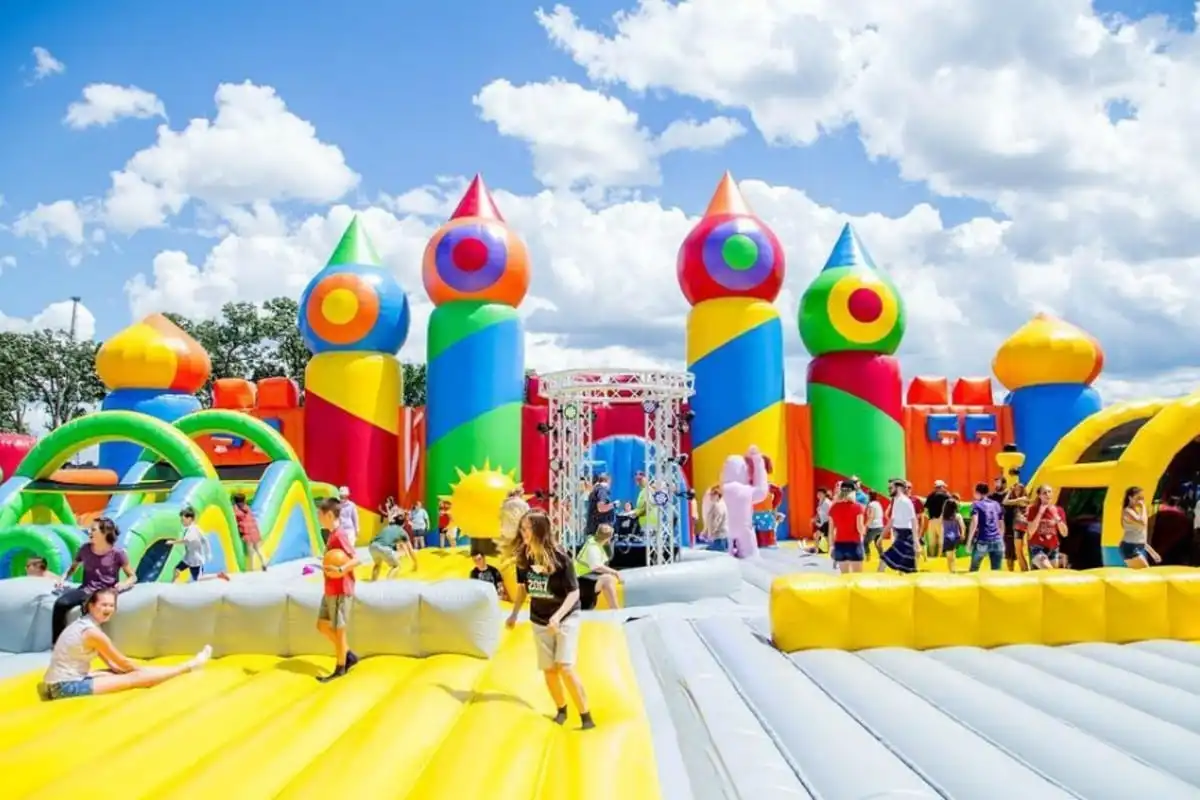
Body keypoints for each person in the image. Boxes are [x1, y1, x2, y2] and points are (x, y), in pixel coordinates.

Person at [504, 510, 594, 730]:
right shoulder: (523, 557)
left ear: (540, 530)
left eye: (528, 528)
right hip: (539, 618)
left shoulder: (560, 557)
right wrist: (514, 613)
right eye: (522, 528)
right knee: (549, 669)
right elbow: (523, 588)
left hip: (565, 616)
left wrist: (558, 616)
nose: (524, 532)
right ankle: (561, 709)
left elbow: (574, 593)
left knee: (565, 666)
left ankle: (586, 717)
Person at [39, 587, 211, 701]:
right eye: (103, 605)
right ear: (91, 606)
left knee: (115, 673)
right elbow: (123, 662)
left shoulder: (82, 624)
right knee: (135, 678)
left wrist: (117, 671)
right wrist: (142, 674)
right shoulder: (92, 633)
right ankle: (187, 666)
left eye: (111, 605)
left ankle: (182, 667)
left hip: (57, 683)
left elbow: (110, 661)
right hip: (65, 687)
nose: (108, 609)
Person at [52, 518, 136, 644]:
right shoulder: (85, 549)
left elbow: (133, 576)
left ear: (105, 532)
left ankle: (95, 643)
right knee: (61, 604)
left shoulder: (117, 553)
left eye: (93, 529)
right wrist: (63, 578)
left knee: (92, 609)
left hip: (106, 592)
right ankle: (57, 642)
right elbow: (73, 566)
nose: (89, 532)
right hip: (87, 589)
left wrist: (124, 584)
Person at [317, 520, 360, 682]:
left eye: (320, 513)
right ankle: (348, 654)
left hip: (340, 589)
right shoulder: (332, 535)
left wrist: (341, 570)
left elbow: (356, 559)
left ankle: (340, 667)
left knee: (339, 629)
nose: (318, 516)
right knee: (322, 625)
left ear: (328, 515)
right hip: (329, 589)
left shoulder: (340, 535)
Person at [167, 507, 228, 582]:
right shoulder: (194, 528)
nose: (182, 522)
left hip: (196, 560)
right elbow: (205, 540)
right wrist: (208, 552)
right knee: (177, 569)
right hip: (188, 558)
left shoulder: (192, 529)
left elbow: (187, 540)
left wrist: (172, 542)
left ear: (189, 519)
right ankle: (172, 585)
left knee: (198, 579)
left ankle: (218, 575)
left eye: (183, 520)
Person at [575, 522, 622, 609]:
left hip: (585, 578)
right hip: (579, 581)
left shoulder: (593, 542)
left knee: (607, 577)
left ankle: (615, 609)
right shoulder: (593, 548)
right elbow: (596, 566)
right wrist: (615, 572)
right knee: (608, 579)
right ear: (608, 538)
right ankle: (616, 610)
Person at [880, 480, 919, 574]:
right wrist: (881, 536)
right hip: (900, 534)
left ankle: (877, 583)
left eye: (890, 488)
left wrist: (916, 541)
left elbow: (914, 520)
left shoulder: (905, 501)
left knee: (885, 559)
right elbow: (892, 520)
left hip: (906, 535)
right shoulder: (896, 500)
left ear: (898, 488)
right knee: (904, 567)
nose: (889, 490)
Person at [1026, 484, 1068, 570]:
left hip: (1053, 548)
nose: (1047, 494)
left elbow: (1064, 533)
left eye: (1049, 492)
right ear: (1039, 495)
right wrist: (1040, 512)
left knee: (1053, 576)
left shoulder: (1059, 510)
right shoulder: (1032, 509)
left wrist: (1056, 516)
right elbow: (1030, 531)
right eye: (1044, 493)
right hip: (1037, 548)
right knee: (1048, 570)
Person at [828, 481, 866, 574]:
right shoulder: (858, 507)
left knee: (845, 577)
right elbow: (860, 528)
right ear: (853, 492)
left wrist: (831, 546)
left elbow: (830, 531)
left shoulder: (833, 508)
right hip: (854, 544)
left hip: (840, 545)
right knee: (857, 577)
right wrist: (865, 531)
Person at [967, 483, 1005, 572]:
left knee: (974, 570)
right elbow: (1001, 525)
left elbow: (974, 522)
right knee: (996, 571)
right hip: (997, 541)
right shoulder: (996, 504)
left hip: (983, 540)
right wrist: (1001, 540)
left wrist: (969, 542)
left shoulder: (976, 504)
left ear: (977, 492)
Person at [368, 511, 417, 579]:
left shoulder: (387, 527)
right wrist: (415, 564)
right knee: (396, 566)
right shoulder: (402, 532)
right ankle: (387, 585)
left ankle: (372, 582)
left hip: (372, 546)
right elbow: (411, 550)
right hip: (383, 547)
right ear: (403, 523)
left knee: (377, 564)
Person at [1120, 487, 1160, 569]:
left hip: (1134, 546)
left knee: (1141, 574)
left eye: (1142, 498)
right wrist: (1143, 507)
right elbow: (1143, 522)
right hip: (1129, 548)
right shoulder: (1128, 511)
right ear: (1130, 498)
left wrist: (1152, 552)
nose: (1140, 501)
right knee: (1146, 572)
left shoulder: (1136, 512)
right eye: (1138, 498)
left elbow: (1140, 537)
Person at [232, 493, 267, 571]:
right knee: (258, 549)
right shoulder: (247, 508)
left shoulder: (236, 509)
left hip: (247, 532)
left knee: (250, 551)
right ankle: (264, 562)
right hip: (254, 530)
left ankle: (251, 568)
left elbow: (235, 519)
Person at [1001, 482, 1031, 572]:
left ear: (1023, 490)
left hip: (1019, 526)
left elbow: (1005, 502)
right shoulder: (1016, 500)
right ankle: (1013, 572)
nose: (1017, 491)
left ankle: (1025, 571)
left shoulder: (1023, 499)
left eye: (1019, 489)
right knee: (1010, 553)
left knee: (1019, 552)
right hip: (1013, 527)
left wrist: (1009, 491)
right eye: (1016, 489)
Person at [923, 480, 951, 558]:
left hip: (931, 520)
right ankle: (939, 557)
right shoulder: (946, 496)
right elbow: (951, 506)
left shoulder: (930, 496)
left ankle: (932, 557)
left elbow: (925, 509)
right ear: (941, 487)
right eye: (944, 487)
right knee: (941, 541)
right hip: (941, 520)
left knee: (932, 542)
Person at [585, 474, 616, 539]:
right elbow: (601, 508)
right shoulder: (602, 490)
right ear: (607, 481)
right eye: (610, 483)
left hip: (595, 528)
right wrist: (614, 504)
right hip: (600, 531)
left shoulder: (595, 490)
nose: (609, 486)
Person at [702, 485, 729, 552]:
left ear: (717, 495)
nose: (710, 496)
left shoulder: (717, 505)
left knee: (708, 550)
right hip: (723, 537)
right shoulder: (721, 504)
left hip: (719, 538)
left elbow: (716, 521)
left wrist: (710, 533)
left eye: (712, 494)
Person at [941, 494, 963, 572]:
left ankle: (951, 570)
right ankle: (953, 570)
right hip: (955, 537)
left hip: (947, 537)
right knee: (953, 555)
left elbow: (942, 527)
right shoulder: (957, 516)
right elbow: (962, 526)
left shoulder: (943, 516)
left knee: (949, 556)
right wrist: (963, 535)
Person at [863, 491, 885, 560]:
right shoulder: (878, 504)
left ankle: (868, 556)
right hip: (880, 526)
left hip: (874, 527)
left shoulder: (871, 504)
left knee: (864, 542)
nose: (867, 497)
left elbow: (871, 516)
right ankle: (883, 557)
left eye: (868, 495)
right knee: (877, 543)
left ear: (870, 496)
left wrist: (865, 527)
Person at [813, 487, 832, 552]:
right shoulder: (820, 501)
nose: (818, 495)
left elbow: (832, 513)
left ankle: (831, 551)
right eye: (818, 493)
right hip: (824, 523)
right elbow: (820, 513)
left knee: (824, 537)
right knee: (817, 535)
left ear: (824, 494)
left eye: (820, 493)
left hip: (828, 522)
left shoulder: (827, 503)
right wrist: (816, 519)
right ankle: (816, 550)